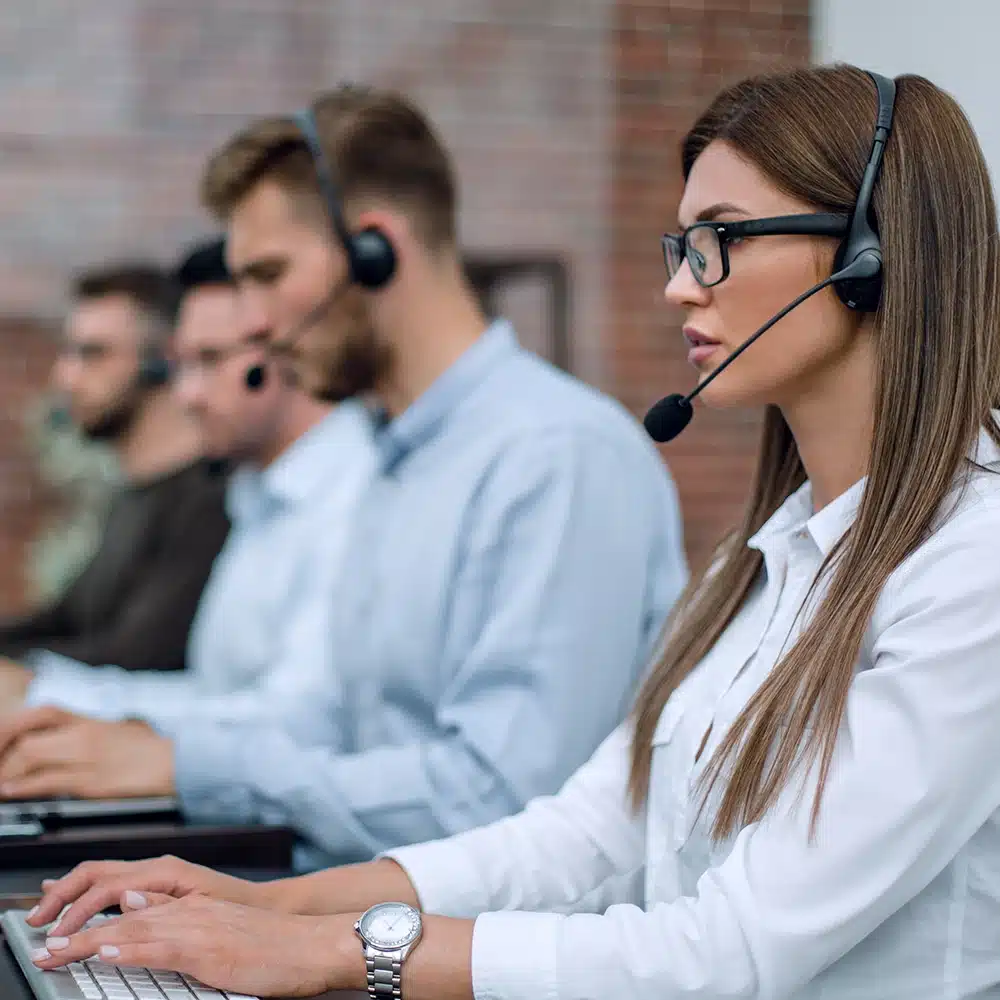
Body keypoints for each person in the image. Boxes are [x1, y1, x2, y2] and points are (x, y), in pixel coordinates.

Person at [24, 64, 1000, 1000]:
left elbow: (729, 948)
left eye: (721, 239)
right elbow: (586, 832)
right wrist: (268, 908)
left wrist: (329, 948)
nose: (679, 287)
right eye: (681, 245)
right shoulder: (763, 561)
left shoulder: (971, 565)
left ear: (867, 257)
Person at [0, 84, 687, 872]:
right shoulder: (394, 460)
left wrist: (185, 768)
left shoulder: (556, 457)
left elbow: (500, 799)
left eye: (267, 273)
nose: (253, 322)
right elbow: (320, 721)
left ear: (375, 249)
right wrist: (92, 727)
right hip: (356, 910)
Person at [0, 236, 375, 796]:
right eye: (180, 365)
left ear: (291, 350)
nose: (187, 394)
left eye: (208, 362)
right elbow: (212, 694)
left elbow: (304, 725)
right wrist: (48, 692)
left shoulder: (353, 493)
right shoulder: (255, 497)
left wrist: (50, 698)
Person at [0, 263, 229, 680]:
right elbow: (65, 619)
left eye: (93, 354)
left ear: (163, 363)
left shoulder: (212, 501)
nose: (65, 378)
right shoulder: (132, 494)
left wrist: (18, 671)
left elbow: (137, 655)